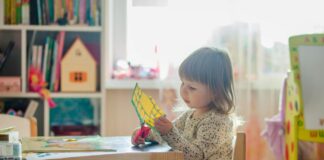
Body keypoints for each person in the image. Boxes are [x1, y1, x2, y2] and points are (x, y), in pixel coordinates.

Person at [131, 47, 235, 160]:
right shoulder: (189, 115)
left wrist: (169, 132)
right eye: (183, 83)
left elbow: (196, 156)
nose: (183, 90)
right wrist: (144, 134)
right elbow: (167, 134)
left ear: (215, 91)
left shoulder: (217, 121)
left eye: (192, 87)